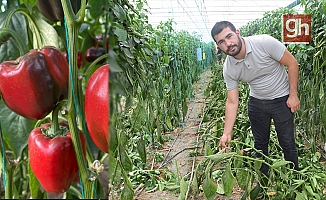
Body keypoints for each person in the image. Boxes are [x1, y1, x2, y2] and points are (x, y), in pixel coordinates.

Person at [210, 21, 300, 176]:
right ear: (218, 46)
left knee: (287, 142)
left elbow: (292, 63)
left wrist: (293, 95)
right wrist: (226, 133)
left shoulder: (264, 43)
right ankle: (263, 179)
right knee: (259, 144)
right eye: (222, 42)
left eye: (229, 36)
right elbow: (232, 101)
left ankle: (295, 178)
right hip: (257, 102)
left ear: (237, 32)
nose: (228, 44)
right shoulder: (229, 68)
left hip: (281, 100)